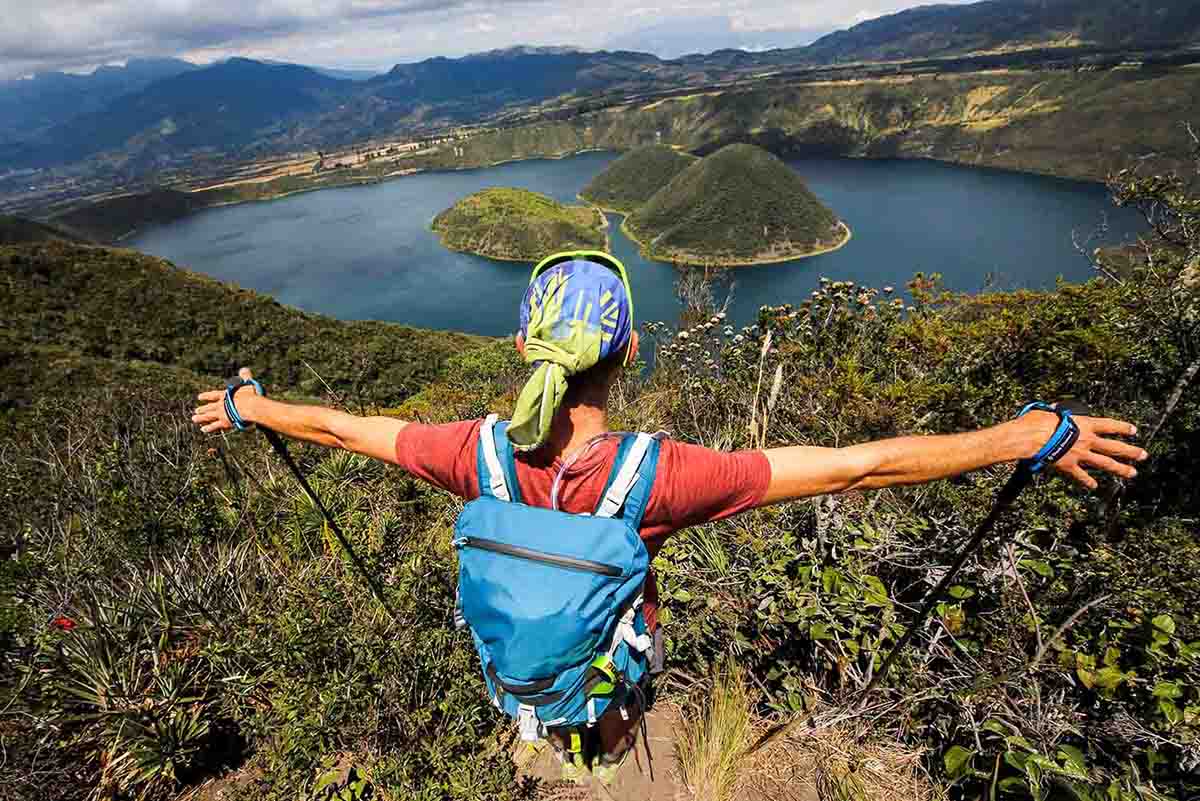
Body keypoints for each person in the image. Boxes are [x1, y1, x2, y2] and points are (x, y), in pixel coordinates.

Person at [191, 251, 1147, 785]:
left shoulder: (469, 453)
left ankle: (537, 736)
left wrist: (249, 406)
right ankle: (605, 761)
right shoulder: (656, 478)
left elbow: (342, 428)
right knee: (612, 715)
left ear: (523, 343)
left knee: (536, 691)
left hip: (507, 667)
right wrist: (1023, 434)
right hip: (610, 684)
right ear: (632, 351)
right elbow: (860, 468)